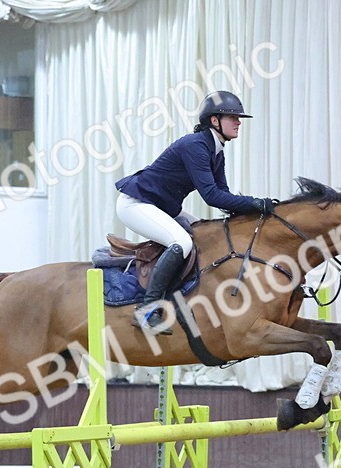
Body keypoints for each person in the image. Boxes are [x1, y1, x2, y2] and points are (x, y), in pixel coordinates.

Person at [114, 91, 274, 334]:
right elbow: (211, 196)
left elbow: (223, 195)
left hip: (161, 207)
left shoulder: (216, 150)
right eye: (233, 117)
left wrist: (253, 211)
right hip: (135, 203)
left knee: (205, 234)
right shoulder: (195, 145)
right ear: (214, 120)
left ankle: (182, 298)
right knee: (181, 242)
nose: (238, 122)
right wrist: (254, 203)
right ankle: (147, 310)